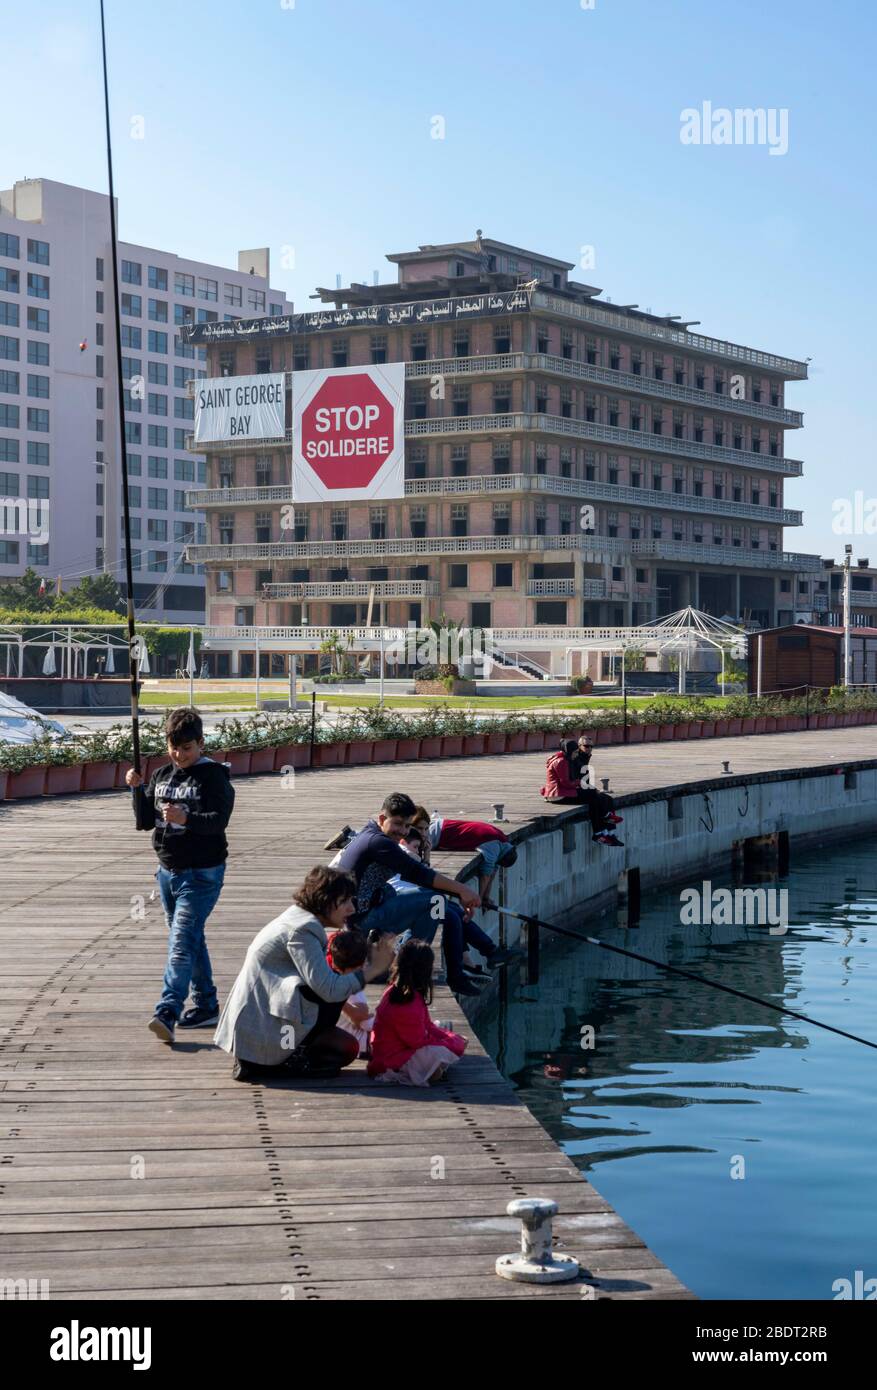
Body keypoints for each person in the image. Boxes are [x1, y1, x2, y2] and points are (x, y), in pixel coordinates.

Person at [214, 866, 394, 1082]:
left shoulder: (298, 918)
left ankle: (287, 1056)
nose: (351, 909)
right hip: (261, 1029)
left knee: (344, 1047)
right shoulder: (302, 930)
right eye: (345, 901)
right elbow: (328, 989)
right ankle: (277, 1061)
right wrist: (372, 970)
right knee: (336, 1012)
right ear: (327, 901)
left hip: (262, 1020)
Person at [126, 707, 235, 1043]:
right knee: (189, 938)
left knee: (180, 944)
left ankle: (167, 1010)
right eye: (174, 747)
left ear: (200, 743)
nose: (179, 754)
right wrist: (135, 789)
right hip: (167, 873)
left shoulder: (214, 776)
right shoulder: (161, 775)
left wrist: (187, 819)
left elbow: (219, 820)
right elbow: (145, 821)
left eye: (187, 748)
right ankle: (206, 1004)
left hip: (201, 874)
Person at [335, 792, 486, 996]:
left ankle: (423, 966)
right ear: (382, 819)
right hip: (358, 922)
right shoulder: (378, 842)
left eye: (407, 826)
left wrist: (459, 894)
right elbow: (418, 873)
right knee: (435, 902)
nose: (402, 831)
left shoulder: (371, 835)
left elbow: (419, 876)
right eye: (397, 824)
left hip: (363, 913)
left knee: (439, 904)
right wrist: (463, 890)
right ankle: (410, 968)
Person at [368, 939, 467, 1086]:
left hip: (398, 1048)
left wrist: (450, 1039)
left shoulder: (400, 991)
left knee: (451, 1039)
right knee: (441, 1059)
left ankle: (433, 1064)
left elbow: (427, 1025)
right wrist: (450, 1043)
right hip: (390, 1059)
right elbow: (418, 1041)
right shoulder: (407, 1003)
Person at [409, 805, 518, 903]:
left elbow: (493, 870)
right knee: (413, 847)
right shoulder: (494, 846)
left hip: (443, 827)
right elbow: (486, 874)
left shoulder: (502, 841)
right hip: (439, 832)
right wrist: (478, 899)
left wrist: (485, 897)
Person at [541, 737, 624, 846]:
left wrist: (584, 785)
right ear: (569, 751)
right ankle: (603, 823)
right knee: (594, 797)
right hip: (558, 794)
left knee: (599, 798)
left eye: (591, 746)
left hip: (564, 792)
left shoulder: (567, 759)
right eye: (576, 752)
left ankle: (606, 833)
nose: (577, 754)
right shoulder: (561, 761)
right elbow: (566, 782)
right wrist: (580, 783)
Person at [327, 926, 374, 1059]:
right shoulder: (350, 983)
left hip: (341, 1039)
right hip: (363, 1043)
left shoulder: (329, 978)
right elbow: (360, 1016)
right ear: (363, 963)